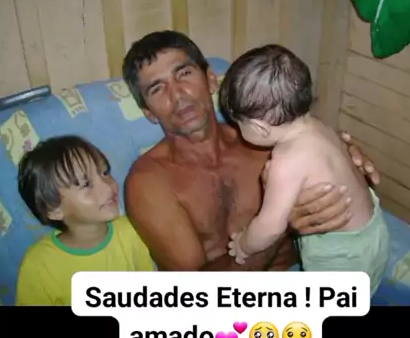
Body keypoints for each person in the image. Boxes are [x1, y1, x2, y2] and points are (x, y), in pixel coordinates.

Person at [123, 31, 381, 273]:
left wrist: (347, 158)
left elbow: (315, 147)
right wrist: (282, 226)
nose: (178, 95)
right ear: (149, 113)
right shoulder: (149, 183)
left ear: (211, 79)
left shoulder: (267, 139)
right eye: (157, 88)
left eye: (184, 73)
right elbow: (195, 292)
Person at [219, 45, 390, 295]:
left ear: (259, 128)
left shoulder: (286, 159)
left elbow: (270, 225)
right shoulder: (319, 127)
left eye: (239, 125)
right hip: (373, 231)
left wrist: (244, 244)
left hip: (341, 256)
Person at [16, 135, 155, 306]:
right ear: (53, 209)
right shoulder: (40, 266)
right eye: (86, 184)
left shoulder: (133, 231)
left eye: (105, 173)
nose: (108, 186)